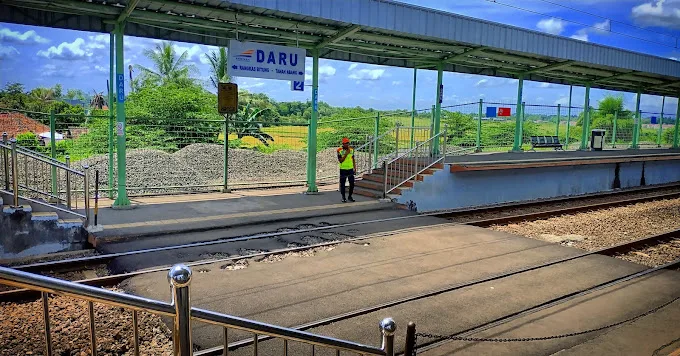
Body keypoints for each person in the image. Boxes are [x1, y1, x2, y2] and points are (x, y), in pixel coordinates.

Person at [337, 137, 356, 202]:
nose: (347, 145)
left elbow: (353, 159)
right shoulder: (339, 150)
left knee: (352, 183)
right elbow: (340, 160)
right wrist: (346, 154)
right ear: (343, 144)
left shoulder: (352, 149)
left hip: (350, 169)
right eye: (345, 143)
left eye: (348, 143)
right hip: (343, 169)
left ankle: (350, 196)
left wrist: (354, 168)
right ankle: (343, 197)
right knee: (342, 184)